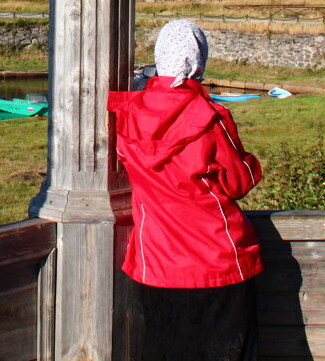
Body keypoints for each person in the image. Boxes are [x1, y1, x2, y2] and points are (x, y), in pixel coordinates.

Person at [109, 21, 263, 361]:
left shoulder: (127, 115)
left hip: (158, 263)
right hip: (218, 260)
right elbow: (239, 182)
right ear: (198, 62)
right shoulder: (211, 117)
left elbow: (124, 157)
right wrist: (253, 163)